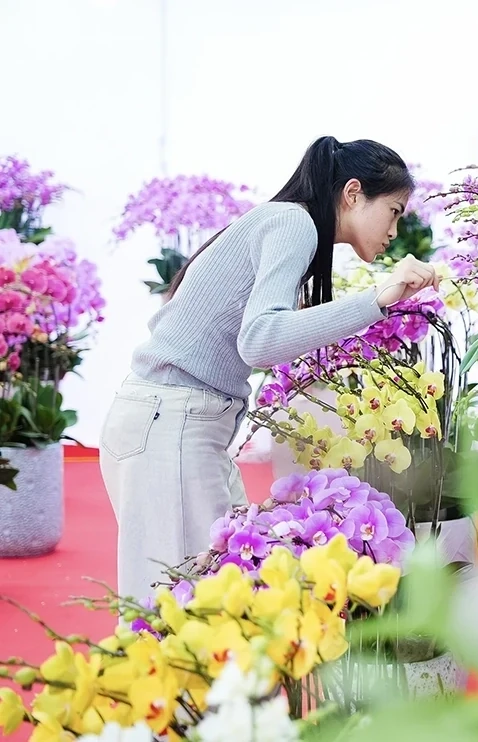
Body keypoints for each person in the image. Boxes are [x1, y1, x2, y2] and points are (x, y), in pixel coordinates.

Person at [99, 136, 438, 600]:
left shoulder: (287, 223)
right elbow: (259, 341)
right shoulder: (294, 223)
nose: (395, 230)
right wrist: (376, 301)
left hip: (174, 421)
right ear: (354, 193)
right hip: (171, 426)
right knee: (184, 611)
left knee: (217, 598)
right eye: (395, 211)